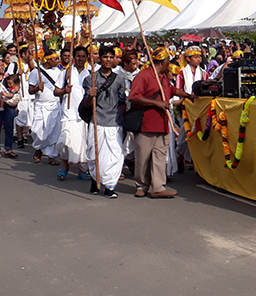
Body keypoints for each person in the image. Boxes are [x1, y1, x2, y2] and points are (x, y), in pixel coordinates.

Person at [129, 47, 193, 198]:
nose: (168, 64)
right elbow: (134, 97)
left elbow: (172, 91)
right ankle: (141, 185)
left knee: (160, 157)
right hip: (146, 123)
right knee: (143, 157)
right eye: (167, 61)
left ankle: (158, 186)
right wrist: (157, 104)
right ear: (163, 61)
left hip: (163, 123)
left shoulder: (163, 77)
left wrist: (189, 96)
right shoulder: (143, 76)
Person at [83, 45, 126, 199]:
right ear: (99, 59)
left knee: (116, 154)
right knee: (95, 154)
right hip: (98, 120)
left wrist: (125, 121)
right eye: (105, 57)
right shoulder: (91, 79)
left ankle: (110, 187)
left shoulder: (120, 79)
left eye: (110, 57)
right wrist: (90, 95)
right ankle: (96, 180)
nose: (108, 60)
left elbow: (122, 102)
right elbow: (86, 104)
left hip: (114, 122)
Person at [56, 46, 91, 181]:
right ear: (73, 58)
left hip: (84, 114)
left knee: (84, 144)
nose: (80, 59)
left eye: (83, 56)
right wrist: (64, 91)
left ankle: (82, 171)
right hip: (69, 113)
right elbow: (56, 91)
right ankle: (65, 165)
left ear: (87, 58)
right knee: (64, 142)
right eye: (78, 56)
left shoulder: (90, 74)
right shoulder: (66, 73)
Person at [28, 51, 63, 165]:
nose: (58, 61)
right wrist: (37, 88)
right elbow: (30, 90)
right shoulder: (35, 72)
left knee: (54, 131)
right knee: (37, 131)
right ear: (48, 60)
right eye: (55, 59)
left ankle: (51, 156)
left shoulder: (58, 72)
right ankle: (39, 148)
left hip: (55, 105)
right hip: (41, 105)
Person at [175, 46, 206, 173]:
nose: (198, 59)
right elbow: (178, 90)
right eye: (195, 57)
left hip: (199, 108)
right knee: (185, 132)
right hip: (185, 106)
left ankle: (190, 158)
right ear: (188, 59)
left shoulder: (204, 73)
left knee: (196, 133)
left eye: (200, 57)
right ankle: (180, 154)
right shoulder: (182, 73)